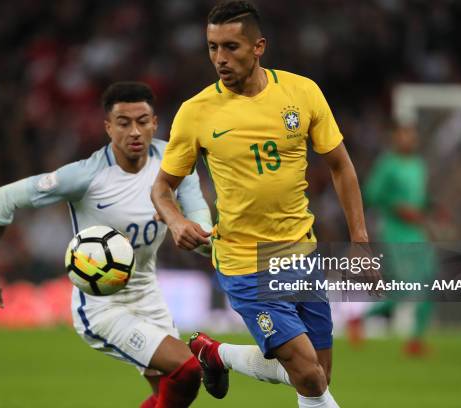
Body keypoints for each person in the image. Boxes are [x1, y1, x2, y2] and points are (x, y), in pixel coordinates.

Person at [151, 2, 370, 407]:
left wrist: (360, 238)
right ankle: (218, 354)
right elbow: (162, 188)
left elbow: (341, 166)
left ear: (258, 47)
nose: (220, 58)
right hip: (244, 262)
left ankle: (216, 353)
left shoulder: (302, 93)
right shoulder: (196, 113)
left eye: (231, 46)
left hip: (301, 254)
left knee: (317, 374)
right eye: (212, 47)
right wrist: (176, 221)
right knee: (308, 375)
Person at [0, 82, 212, 408]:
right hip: (102, 305)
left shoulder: (176, 161)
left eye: (142, 121)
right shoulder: (85, 176)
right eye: (123, 123)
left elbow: (201, 224)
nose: (134, 131)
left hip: (149, 294)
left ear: (155, 123)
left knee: (178, 390)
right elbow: (2, 199)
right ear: (108, 127)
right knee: (188, 367)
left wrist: (197, 236)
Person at [353, 124, 435, 356]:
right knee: (406, 288)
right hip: (395, 232)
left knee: (430, 283)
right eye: (403, 135)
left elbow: (419, 200)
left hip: (417, 232)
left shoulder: (419, 165)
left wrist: (431, 211)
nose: (407, 139)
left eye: (411, 134)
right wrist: (396, 207)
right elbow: (371, 193)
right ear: (395, 138)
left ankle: (416, 340)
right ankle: (361, 320)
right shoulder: (387, 164)